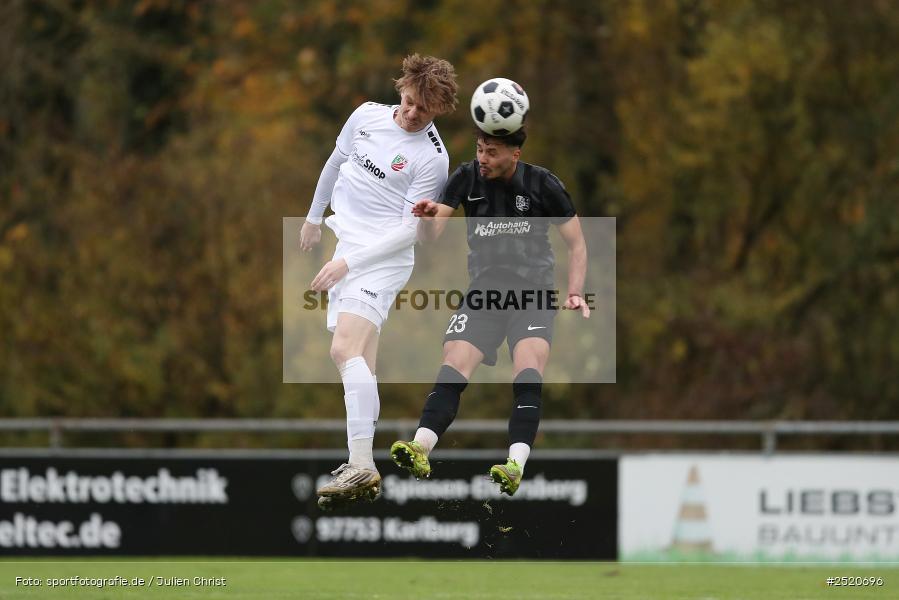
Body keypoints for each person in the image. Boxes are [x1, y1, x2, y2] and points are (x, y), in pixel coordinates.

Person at [390, 126, 590, 496]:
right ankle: (420, 446)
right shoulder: (466, 177)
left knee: (528, 366)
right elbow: (431, 236)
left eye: (492, 152)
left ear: (514, 154)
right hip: (484, 292)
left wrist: (575, 291)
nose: (483, 158)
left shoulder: (543, 184)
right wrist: (426, 216)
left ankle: (514, 464)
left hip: (532, 291)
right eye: (480, 149)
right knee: (454, 360)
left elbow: (577, 244)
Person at [300, 54, 458, 509]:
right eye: (409, 103)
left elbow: (410, 232)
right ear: (401, 89)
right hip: (347, 244)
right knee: (362, 365)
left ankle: (361, 464)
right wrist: (314, 217)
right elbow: (335, 162)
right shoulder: (366, 116)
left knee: (342, 349)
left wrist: (347, 264)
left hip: (381, 259)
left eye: (423, 111)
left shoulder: (432, 159)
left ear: (437, 111)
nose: (411, 114)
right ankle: (363, 462)